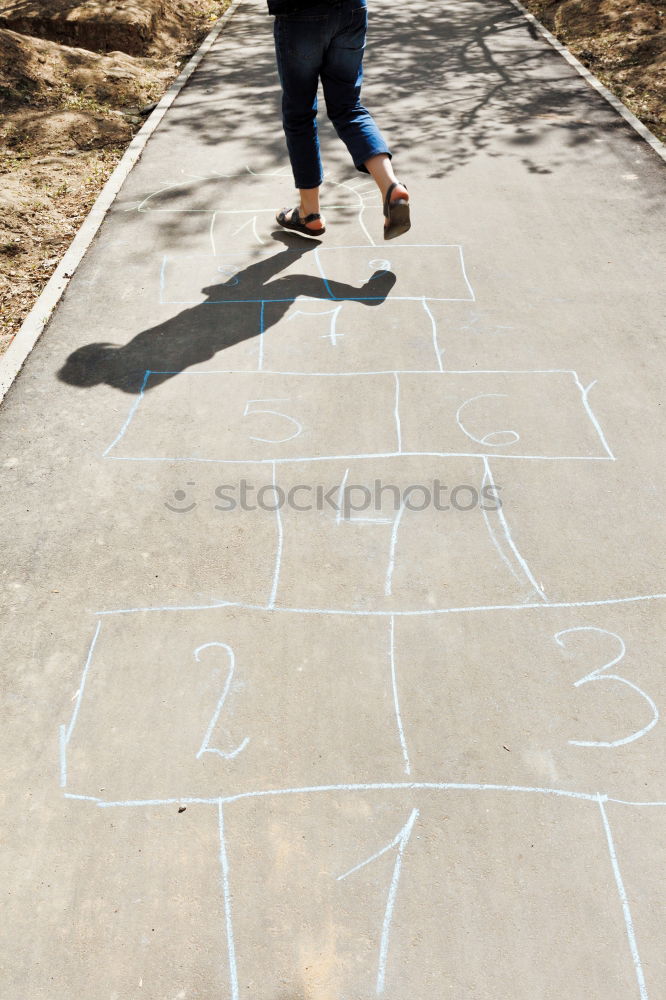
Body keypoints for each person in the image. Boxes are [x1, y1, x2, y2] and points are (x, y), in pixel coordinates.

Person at [268, 0, 410, 240]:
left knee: (299, 113)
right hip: (352, 8)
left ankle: (309, 214)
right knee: (348, 107)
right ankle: (391, 186)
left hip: (301, 14)